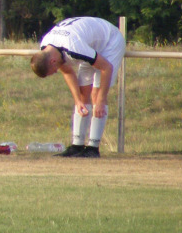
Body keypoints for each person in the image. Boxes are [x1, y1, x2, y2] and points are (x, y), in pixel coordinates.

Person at [31, 17, 126, 158]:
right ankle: (77, 146)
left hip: (109, 41)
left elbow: (106, 67)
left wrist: (101, 100)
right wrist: (78, 101)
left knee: (95, 95)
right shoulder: (46, 48)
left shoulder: (73, 48)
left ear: (52, 61)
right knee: (83, 95)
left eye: (52, 71)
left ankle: (93, 149)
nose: (55, 72)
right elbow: (68, 72)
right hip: (89, 45)